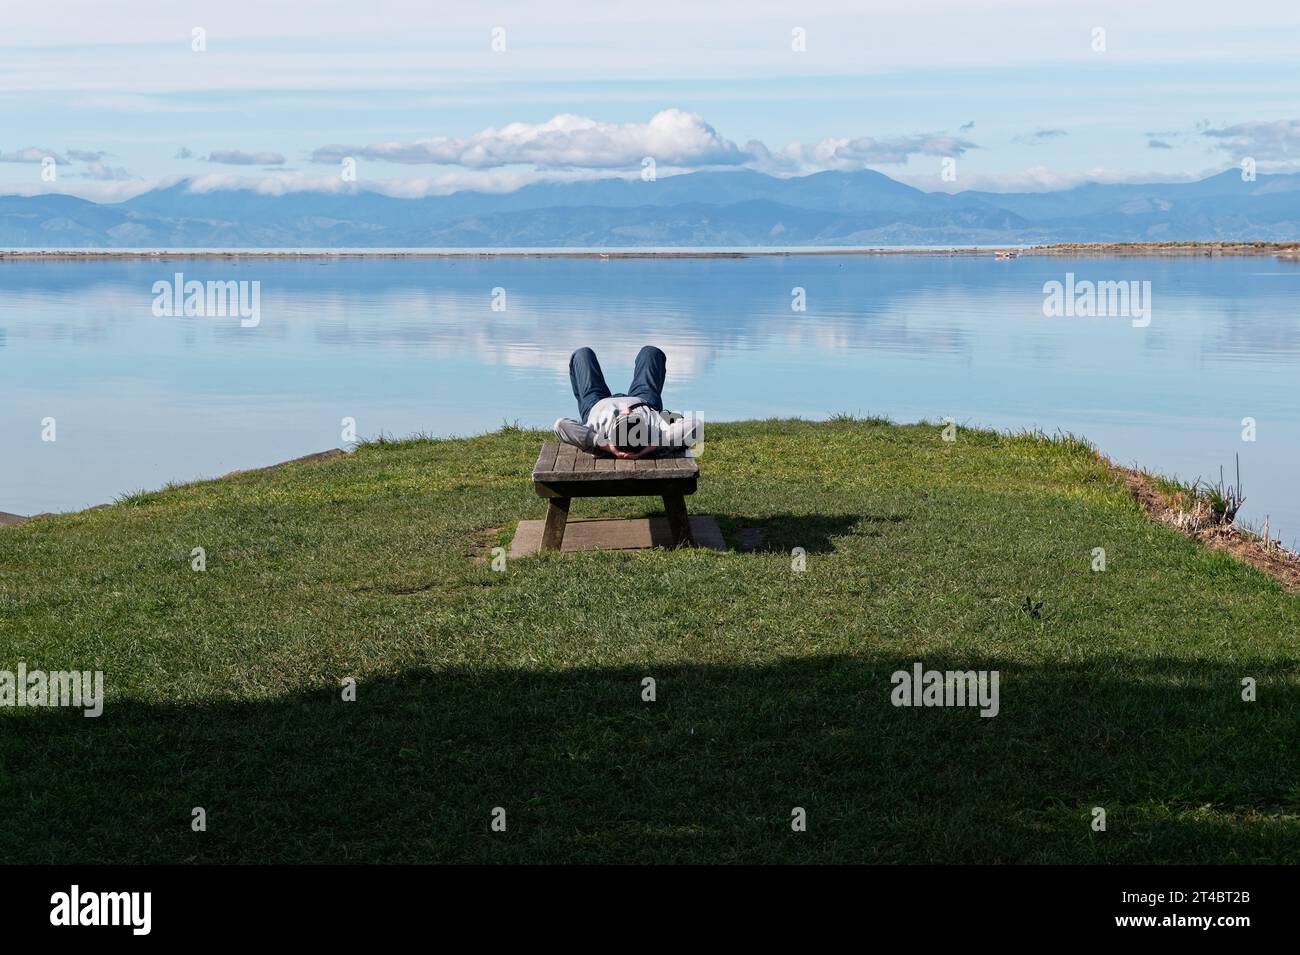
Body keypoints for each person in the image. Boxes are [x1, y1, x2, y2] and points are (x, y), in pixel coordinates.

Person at [553, 346, 696, 458]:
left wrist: (605, 445)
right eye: (633, 415)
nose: (627, 410)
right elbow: (695, 425)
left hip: (596, 403)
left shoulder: (598, 436)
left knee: (582, 354)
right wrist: (653, 446)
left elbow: (561, 425)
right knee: (651, 352)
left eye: (623, 417)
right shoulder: (654, 433)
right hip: (644, 400)